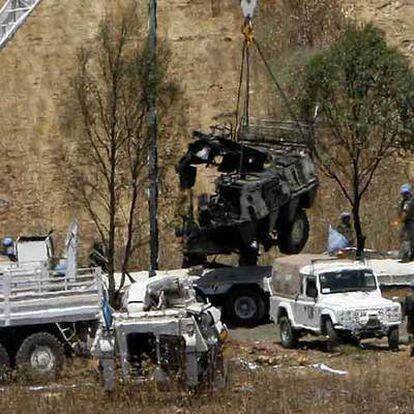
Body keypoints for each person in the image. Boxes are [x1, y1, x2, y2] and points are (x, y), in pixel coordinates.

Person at [398, 183, 414, 262]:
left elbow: (405, 212)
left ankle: (406, 256)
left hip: (410, 223)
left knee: (406, 239)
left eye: (406, 193)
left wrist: (399, 221)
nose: (404, 195)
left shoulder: (408, 202)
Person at [404, 280, 414, 357]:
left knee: (411, 334)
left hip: (412, 319)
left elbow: (407, 310)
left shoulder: (409, 297)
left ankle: (412, 350)